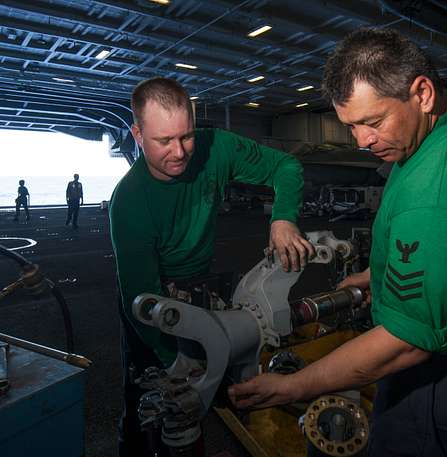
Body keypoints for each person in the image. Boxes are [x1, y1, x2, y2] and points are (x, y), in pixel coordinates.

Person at [228, 28, 447, 457]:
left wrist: (291, 385)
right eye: (350, 126)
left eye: (373, 122)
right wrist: (383, 272)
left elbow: (406, 344)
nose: (362, 141)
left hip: (446, 389)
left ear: (422, 93)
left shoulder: (438, 199)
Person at [109, 77, 314, 456]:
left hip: (204, 287)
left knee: (213, 394)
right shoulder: (129, 202)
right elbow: (136, 298)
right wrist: (173, 359)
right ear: (138, 134)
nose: (180, 152)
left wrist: (283, 218)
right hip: (152, 301)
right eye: (163, 141)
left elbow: (286, 166)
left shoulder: (215, 147)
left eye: (185, 136)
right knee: (147, 403)